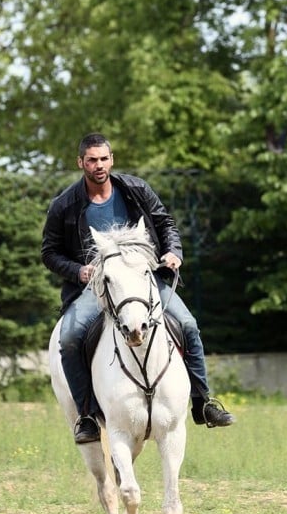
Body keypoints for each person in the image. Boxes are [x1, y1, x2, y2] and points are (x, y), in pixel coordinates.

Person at [42, 133, 234, 444]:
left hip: (143, 278)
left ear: (112, 159)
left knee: (187, 324)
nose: (98, 165)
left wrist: (174, 252)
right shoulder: (64, 204)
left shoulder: (135, 189)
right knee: (69, 337)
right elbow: (49, 253)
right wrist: (79, 271)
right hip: (98, 284)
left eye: (104, 158)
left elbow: (165, 224)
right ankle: (88, 417)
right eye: (91, 160)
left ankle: (203, 403)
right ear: (81, 163)